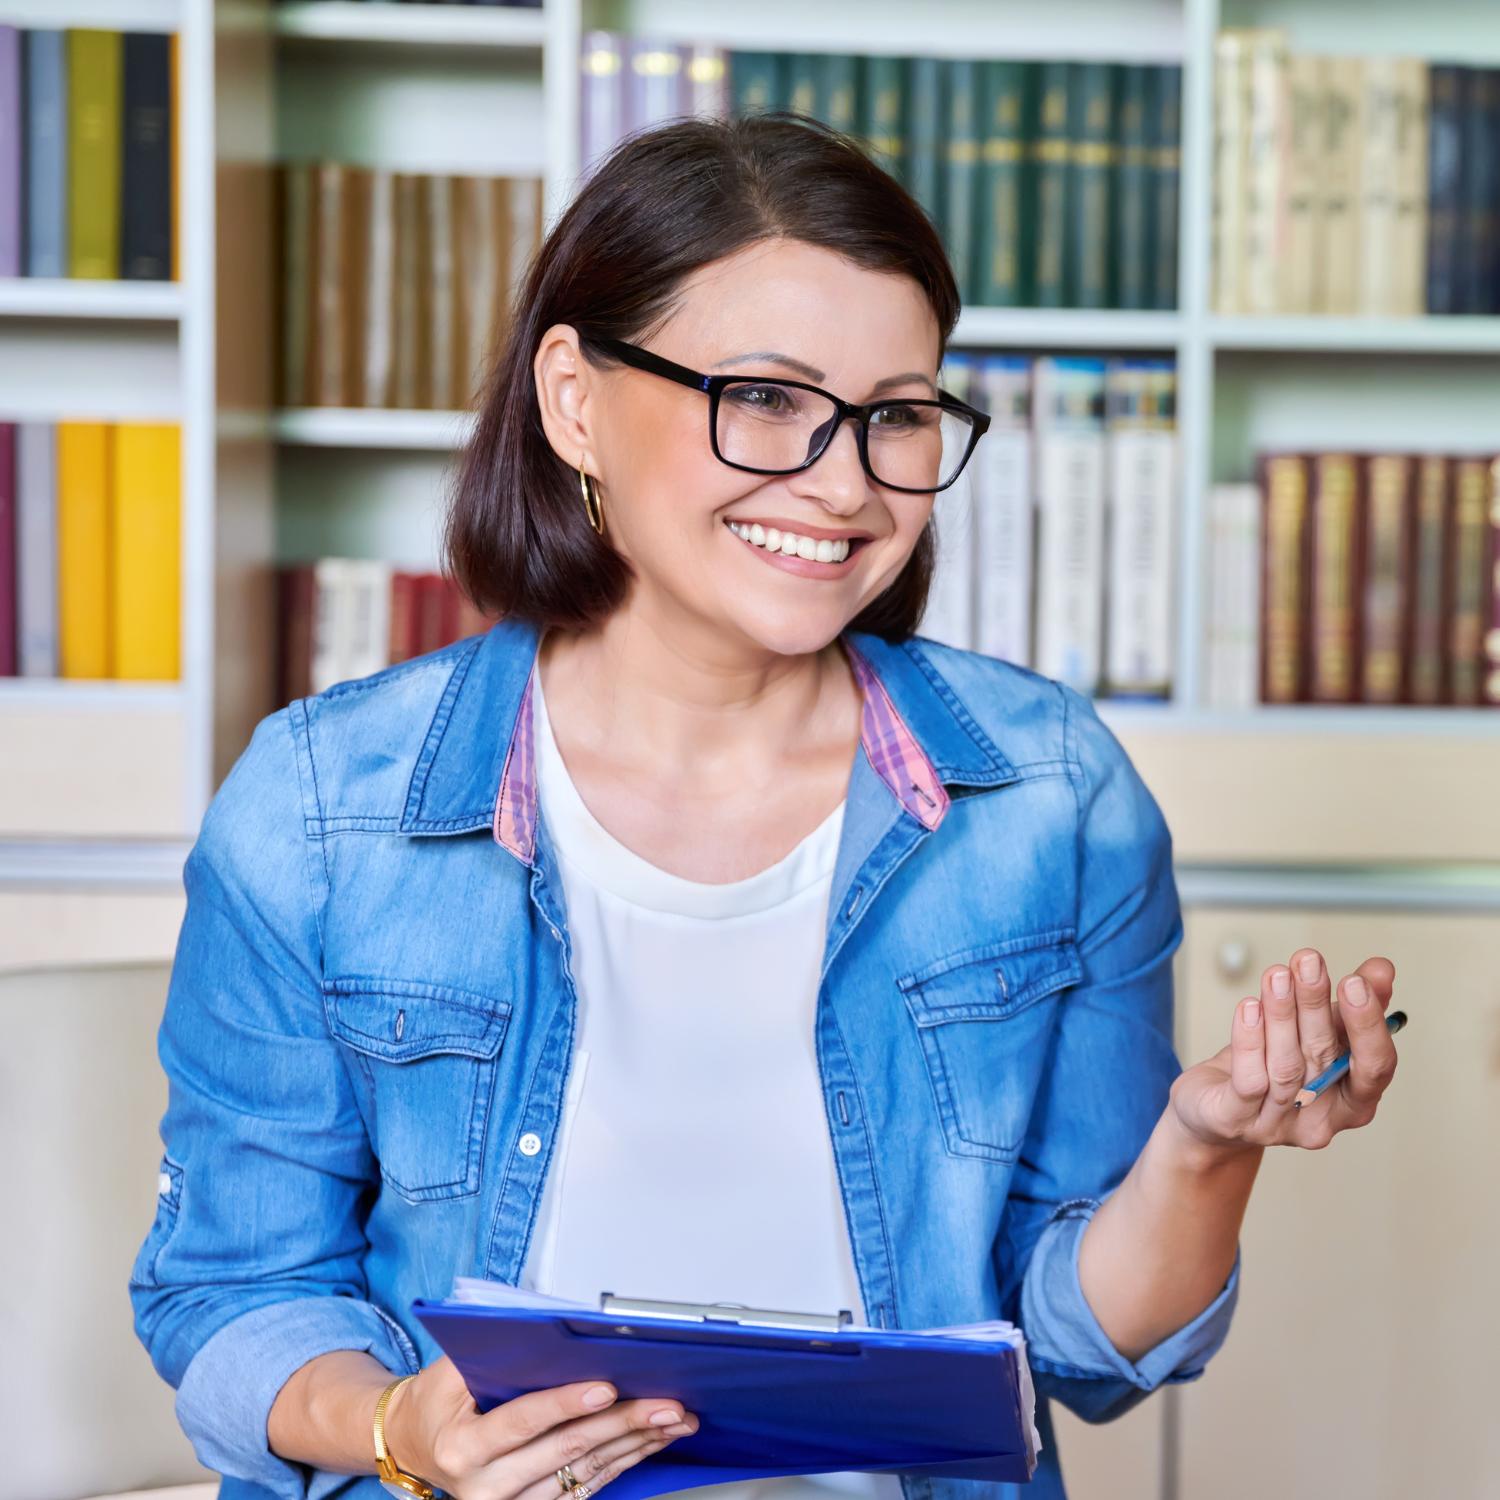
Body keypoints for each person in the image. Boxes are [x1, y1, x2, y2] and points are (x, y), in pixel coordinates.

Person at [131, 116, 1400, 1500]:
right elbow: (230, 1292)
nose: (846, 484)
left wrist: (1203, 1152)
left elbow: (1078, 1353)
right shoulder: (323, 812)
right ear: (574, 401)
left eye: (898, 414)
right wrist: (403, 1431)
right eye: (768, 399)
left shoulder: (1052, 797)